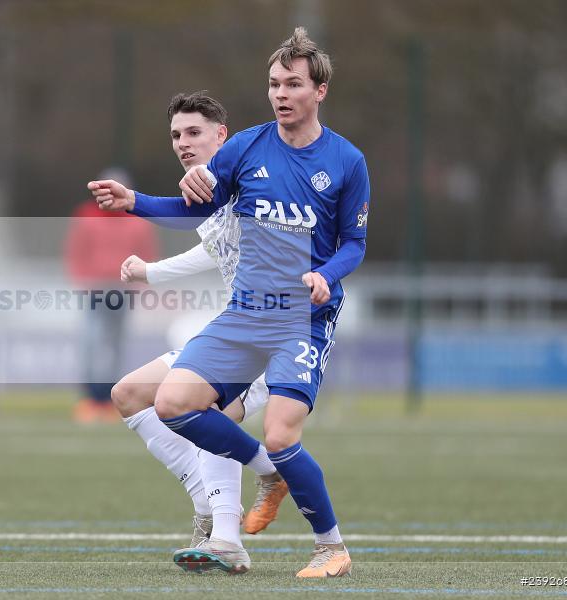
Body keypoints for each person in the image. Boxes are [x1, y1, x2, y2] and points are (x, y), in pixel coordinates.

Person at [88, 28, 369, 578]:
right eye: (274, 84)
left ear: (320, 91)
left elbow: (354, 243)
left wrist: (325, 274)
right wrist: (134, 202)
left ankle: (329, 547)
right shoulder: (246, 147)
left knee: (280, 433)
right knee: (171, 403)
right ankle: (243, 497)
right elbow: (200, 210)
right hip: (244, 313)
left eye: (293, 84)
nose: (281, 93)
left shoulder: (346, 161)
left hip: (301, 318)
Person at [111, 92, 289, 575]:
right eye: (176, 135)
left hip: (274, 334)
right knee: (129, 393)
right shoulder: (213, 193)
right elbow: (214, 250)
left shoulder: (249, 180)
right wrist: (150, 272)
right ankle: (208, 504)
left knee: (207, 411)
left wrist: (139, 219)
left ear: (221, 135)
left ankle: (228, 537)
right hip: (234, 330)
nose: (183, 143)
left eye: (194, 132)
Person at [64, 168, 157, 423]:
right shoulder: (86, 216)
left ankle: (109, 399)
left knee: (116, 345)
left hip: (123, 290)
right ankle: (91, 398)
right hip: (95, 289)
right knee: (91, 341)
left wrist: (142, 282)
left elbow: (146, 253)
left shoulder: (137, 218)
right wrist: (81, 279)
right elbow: (76, 250)